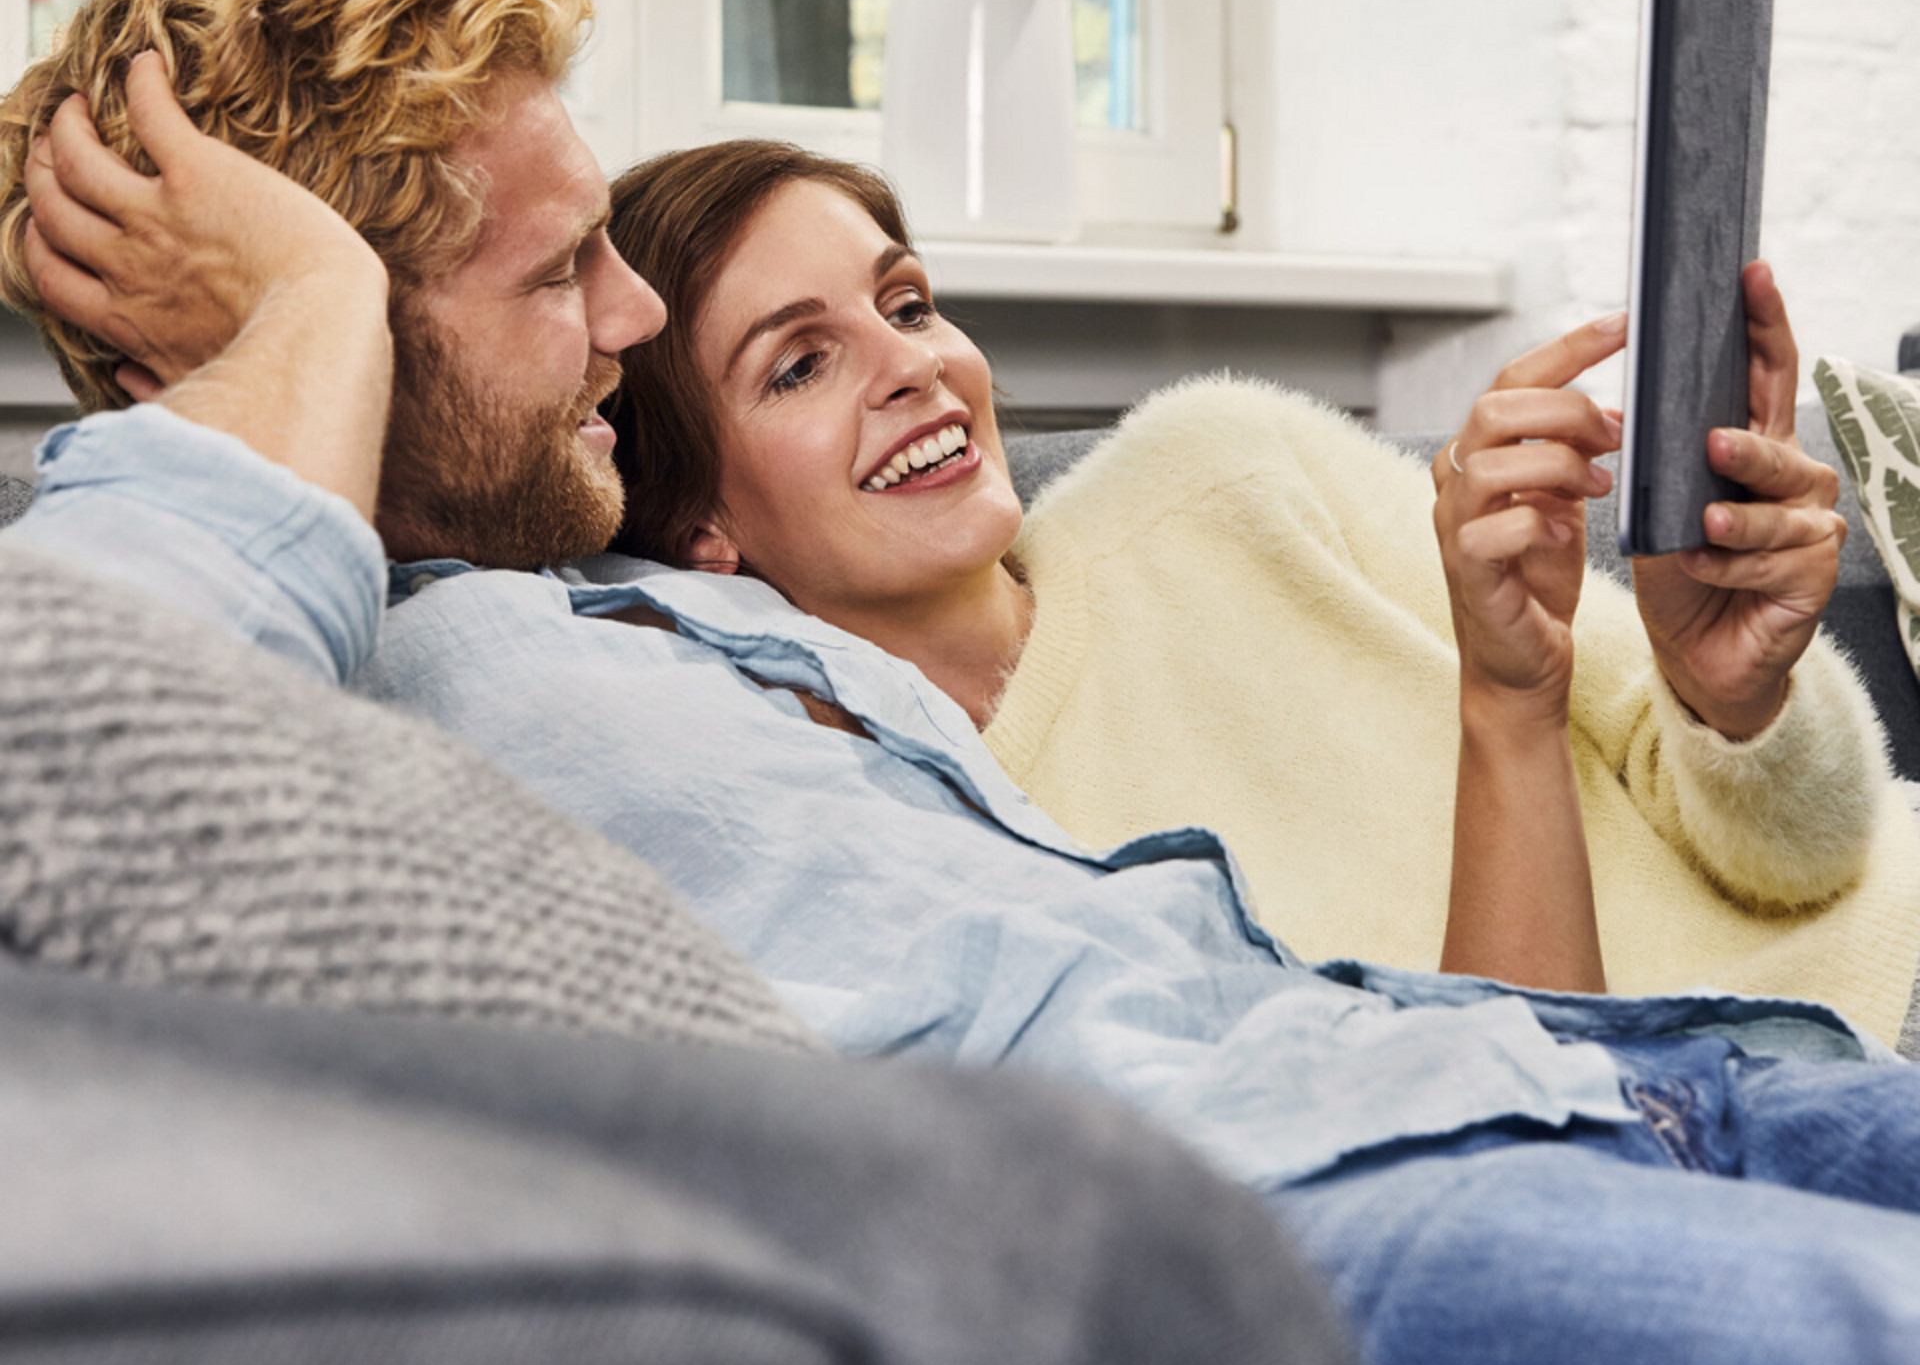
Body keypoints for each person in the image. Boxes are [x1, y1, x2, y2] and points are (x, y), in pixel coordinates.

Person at [9, 0, 1920, 1365]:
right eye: (558, 276)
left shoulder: (702, 618)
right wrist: (312, 311)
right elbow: (68, 755)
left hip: (1550, 1075)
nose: (634, 317)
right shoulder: (273, 652)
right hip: (1290, 1204)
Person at [603, 140, 1920, 1042]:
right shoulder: (940, 867)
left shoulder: (1223, 468)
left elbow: (1814, 852)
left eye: (909, 302)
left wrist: (1730, 696)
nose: (912, 368)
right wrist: (1509, 705)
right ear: (700, 522)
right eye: (798, 366)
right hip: (1758, 1127)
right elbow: (1527, 1140)